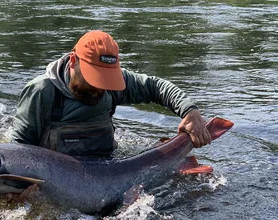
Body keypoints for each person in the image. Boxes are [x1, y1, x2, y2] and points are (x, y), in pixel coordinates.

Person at [11, 30, 211, 156]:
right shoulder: (41, 92)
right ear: (73, 62)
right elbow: (18, 151)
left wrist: (190, 111)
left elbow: (156, 86)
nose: (100, 88)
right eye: (93, 78)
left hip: (107, 166)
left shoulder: (115, 83)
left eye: (105, 80)